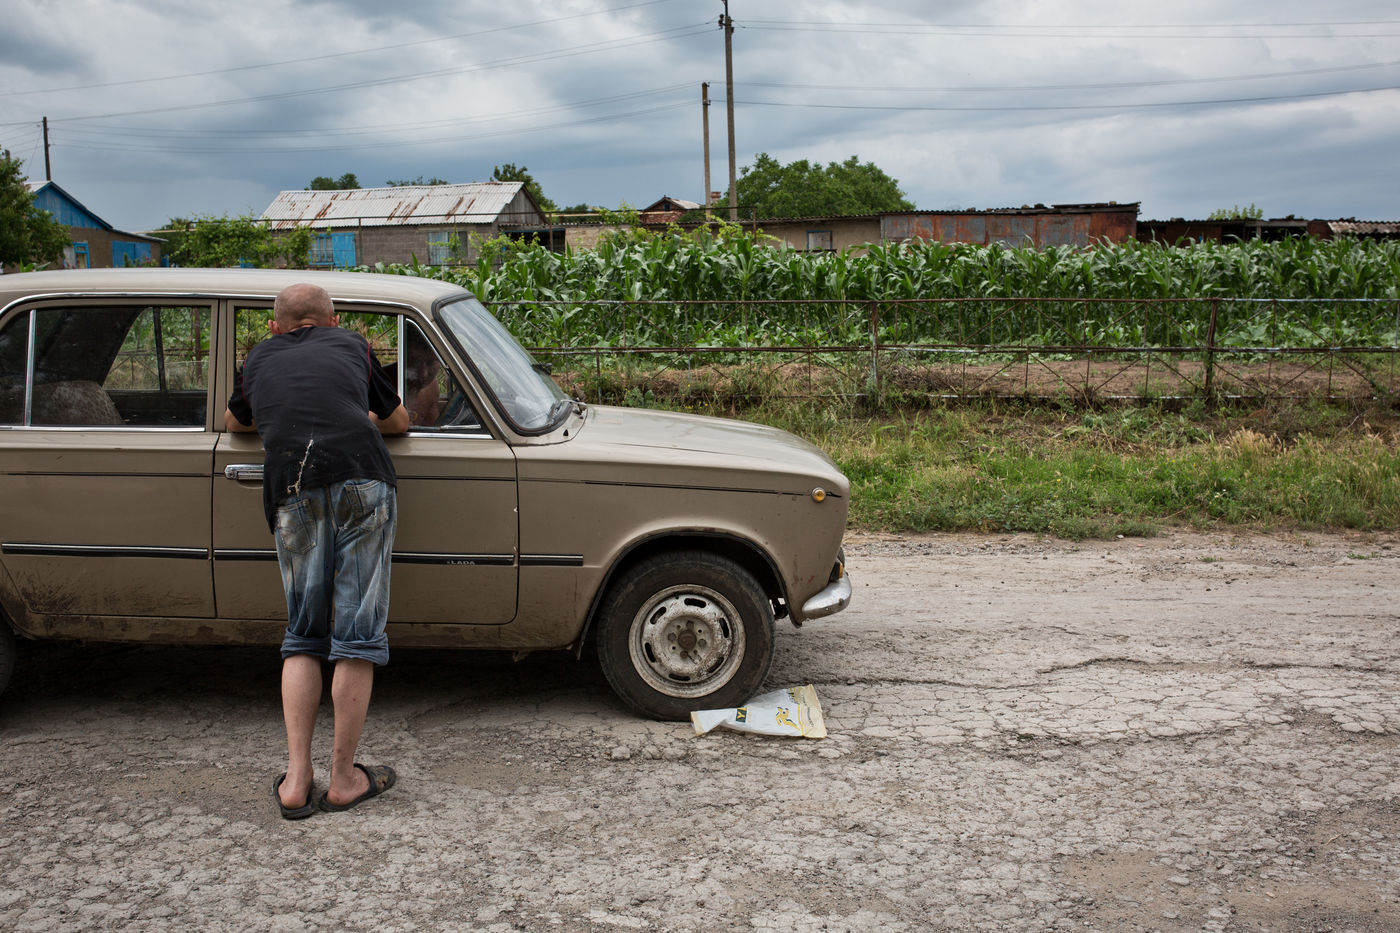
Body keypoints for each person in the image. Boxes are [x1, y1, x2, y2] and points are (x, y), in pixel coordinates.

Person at [224, 282, 410, 819]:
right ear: (332, 321)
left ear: (274, 327)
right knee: (357, 634)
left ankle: (296, 781)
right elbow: (399, 421)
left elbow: (235, 421)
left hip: (292, 486)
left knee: (303, 634)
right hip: (362, 478)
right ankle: (345, 779)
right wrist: (362, 414)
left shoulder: (256, 359)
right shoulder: (352, 345)